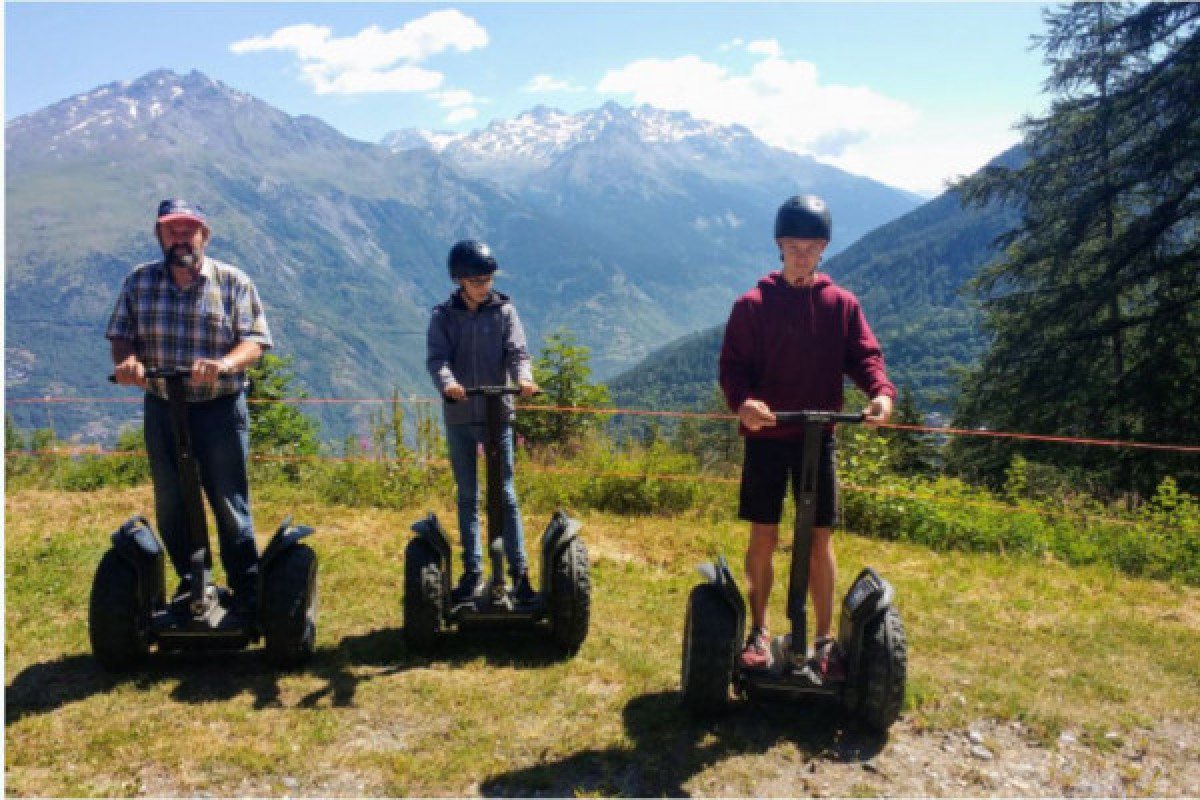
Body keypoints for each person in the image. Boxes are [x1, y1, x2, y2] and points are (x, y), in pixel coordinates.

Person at [718, 194, 895, 681]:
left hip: (819, 439)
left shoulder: (841, 305)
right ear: (779, 247)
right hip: (768, 437)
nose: (801, 255)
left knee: (819, 539)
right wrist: (744, 404)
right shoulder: (752, 305)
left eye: (810, 247)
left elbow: (866, 358)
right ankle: (758, 631)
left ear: (823, 249)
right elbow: (732, 369)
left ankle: (823, 639)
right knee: (764, 533)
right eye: (793, 246)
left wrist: (880, 394)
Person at [107, 198, 273, 617]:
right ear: (159, 236)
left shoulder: (233, 282)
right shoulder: (138, 282)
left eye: (188, 230)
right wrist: (126, 361)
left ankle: (246, 587)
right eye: (171, 230)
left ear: (204, 234)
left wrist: (224, 364)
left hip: (220, 407)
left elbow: (255, 341)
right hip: (164, 405)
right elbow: (120, 334)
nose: (180, 238)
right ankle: (191, 581)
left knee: (228, 499)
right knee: (172, 499)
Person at [426, 239, 539, 605]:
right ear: (459, 280)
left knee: (505, 494)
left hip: (497, 415)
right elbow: (437, 359)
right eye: (476, 281)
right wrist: (450, 384)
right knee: (468, 495)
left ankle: (519, 574)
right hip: (461, 413)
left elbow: (517, 352)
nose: (484, 286)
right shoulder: (444, 316)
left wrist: (523, 378)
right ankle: (473, 571)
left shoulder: (504, 312)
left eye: (488, 279)